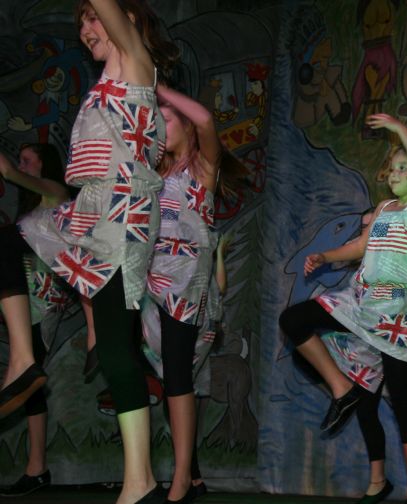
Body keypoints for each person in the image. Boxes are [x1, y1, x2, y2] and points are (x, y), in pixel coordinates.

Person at [18, 1, 178, 502]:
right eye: (82, 23)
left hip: (122, 215)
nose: (87, 29)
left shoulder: (136, 61)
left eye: (93, 18)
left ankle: (139, 482)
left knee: (115, 346)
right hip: (94, 210)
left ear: (125, 18)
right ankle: (140, 481)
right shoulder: (107, 81)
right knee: (112, 346)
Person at [279, 113, 407, 503]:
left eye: (405, 167)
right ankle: (341, 387)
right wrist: (326, 255)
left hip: (396, 316)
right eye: (393, 167)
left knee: (402, 400)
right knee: (294, 319)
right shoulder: (384, 209)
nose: (397, 172)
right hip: (361, 304)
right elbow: (360, 247)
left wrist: (399, 128)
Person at [139, 84, 222, 503]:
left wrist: (158, 87)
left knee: (177, 374)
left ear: (185, 126)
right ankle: (192, 474)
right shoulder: (155, 174)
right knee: (171, 376)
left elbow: (206, 120)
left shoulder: (202, 168)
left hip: (186, 282)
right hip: (152, 281)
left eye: (166, 119)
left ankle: (181, 481)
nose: (159, 127)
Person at [0, 145, 69, 497]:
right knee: (30, 382)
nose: (22, 165)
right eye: (21, 159)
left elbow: (9, 173)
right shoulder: (31, 211)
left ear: (45, 164)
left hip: (43, 303)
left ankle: (37, 466)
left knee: (30, 377)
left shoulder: (55, 192)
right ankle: (37, 467)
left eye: (28, 160)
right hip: (22, 300)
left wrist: (11, 169)